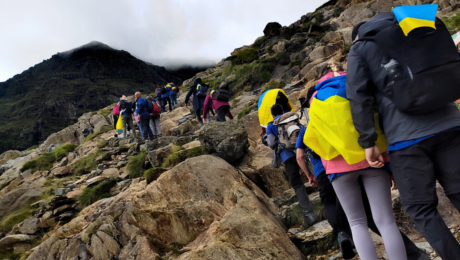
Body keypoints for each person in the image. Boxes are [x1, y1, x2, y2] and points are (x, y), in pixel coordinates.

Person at [347, 16, 460, 259]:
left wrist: (368, 143)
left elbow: (358, 97)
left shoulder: (360, 47)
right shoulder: (414, 27)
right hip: (451, 124)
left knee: (421, 208)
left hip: (407, 140)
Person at [265, 104, 318, 234]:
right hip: (301, 151)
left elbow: (271, 143)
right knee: (314, 174)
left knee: (297, 184)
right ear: (282, 111)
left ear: (272, 114)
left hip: (287, 156)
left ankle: (309, 214)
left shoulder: (272, 124)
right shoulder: (291, 118)